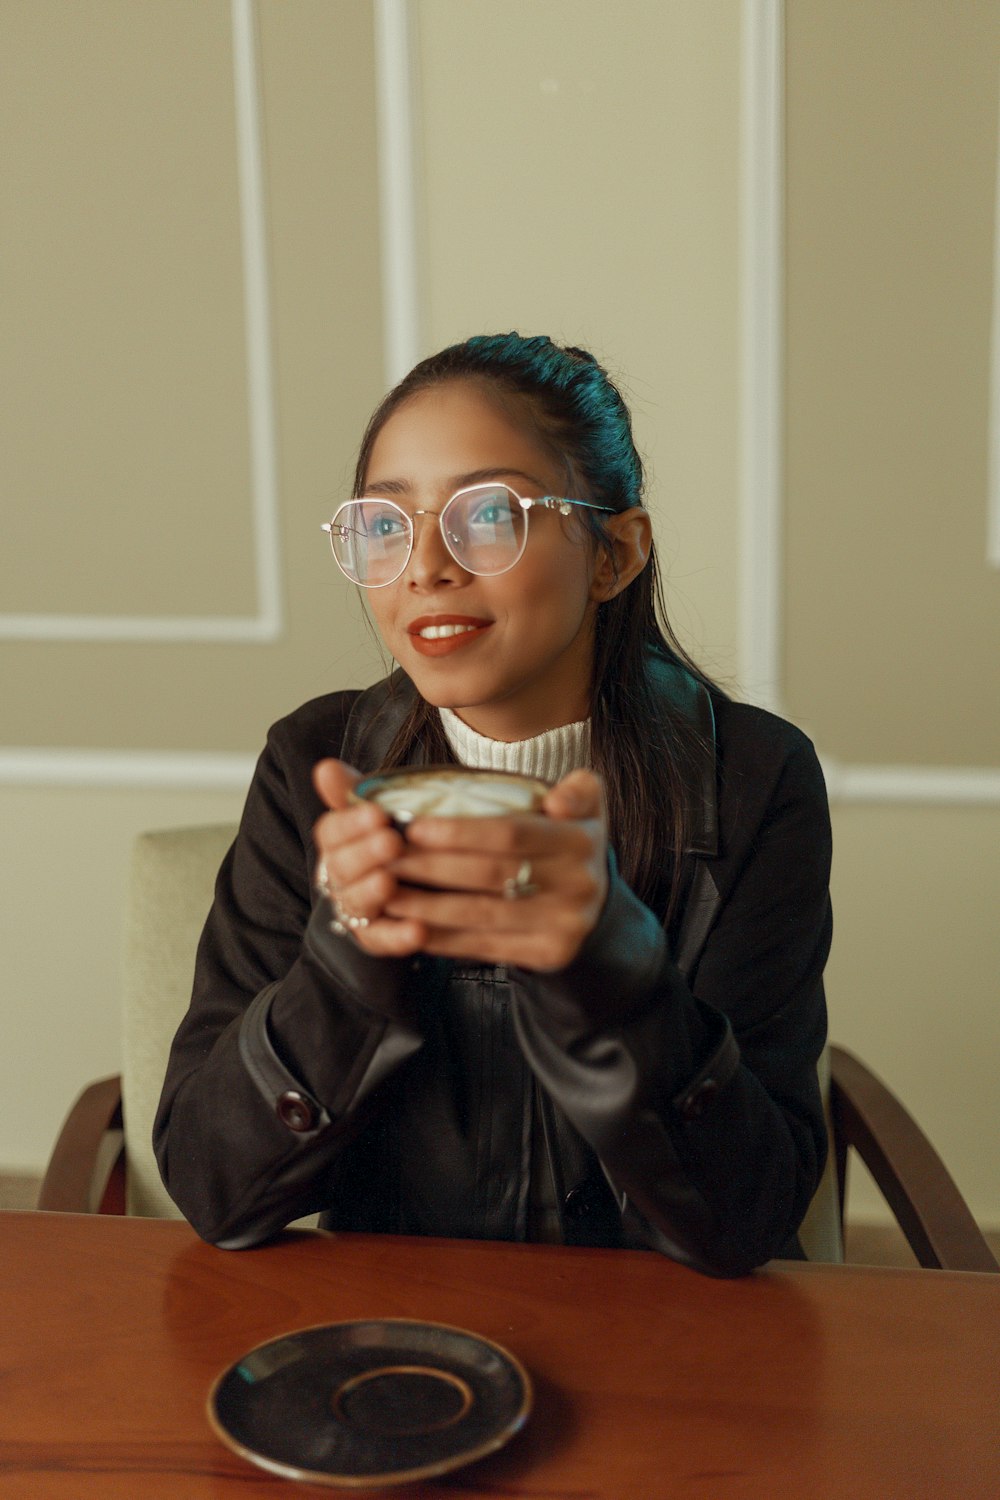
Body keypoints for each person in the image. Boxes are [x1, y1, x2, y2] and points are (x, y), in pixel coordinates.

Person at [154, 333, 832, 1277]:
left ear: (615, 554)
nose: (426, 565)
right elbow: (214, 1191)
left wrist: (610, 966)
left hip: (663, 1348)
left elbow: (747, 1221)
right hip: (388, 1349)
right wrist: (351, 956)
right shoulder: (313, 763)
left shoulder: (754, 779)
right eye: (387, 524)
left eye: (488, 514)